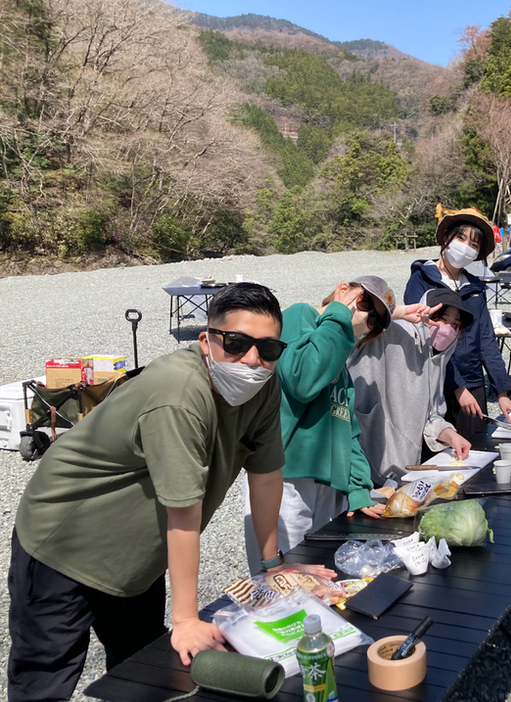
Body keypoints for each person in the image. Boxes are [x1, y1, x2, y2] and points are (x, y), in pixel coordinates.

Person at [7, 283, 329, 701]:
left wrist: (271, 565)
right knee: (44, 677)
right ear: (206, 340)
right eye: (236, 343)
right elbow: (184, 511)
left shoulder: (261, 385)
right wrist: (186, 618)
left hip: (138, 554)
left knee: (143, 667)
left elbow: (266, 475)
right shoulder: (178, 395)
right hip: (64, 546)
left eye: (268, 349)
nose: (252, 360)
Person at [243, 275, 430, 571]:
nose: (369, 317)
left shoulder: (338, 362)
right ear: (343, 290)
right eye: (366, 302)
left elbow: (347, 430)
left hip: (328, 486)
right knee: (282, 578)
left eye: (378, 321)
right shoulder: (300, 315)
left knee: (318, 576)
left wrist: (357, 489)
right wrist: (339, 314)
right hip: (286, 482)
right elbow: (302, 379)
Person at [404, 208, 511, 438]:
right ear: (447, 237)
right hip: (433, 384)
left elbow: (487, 341)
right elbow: (422, 340)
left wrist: (502, 392)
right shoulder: (421, 280)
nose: (465, 247)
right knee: (434, 457)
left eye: (474, 244)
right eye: (461, 238)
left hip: (473, 385)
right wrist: (457, 387)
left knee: (475, 455)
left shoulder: (476, 288)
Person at [348, 287, 475, 482]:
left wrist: (450, 435)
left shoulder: (438, 361)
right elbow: (357, 323)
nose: (448, 328)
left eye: (455, 324)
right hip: (362, 460)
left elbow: (431, 415)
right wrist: (396, 312)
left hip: (404, 468)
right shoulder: (397, 331)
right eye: (442, 318)